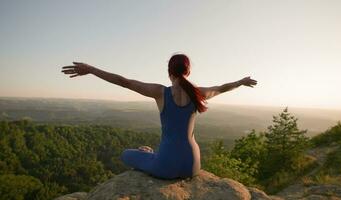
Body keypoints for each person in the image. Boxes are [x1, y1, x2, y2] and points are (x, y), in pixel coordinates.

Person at [61, 53, 257, 179]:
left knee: (126, 155)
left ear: (169, 72)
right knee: (162, 152)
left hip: (167, 166)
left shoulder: (160, 92)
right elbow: (221, 88)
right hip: (193, 165)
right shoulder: (198, 93)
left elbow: (124, 82)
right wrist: (240, 82)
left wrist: (92, 70)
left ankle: (148, 153)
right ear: (188, 71)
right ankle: (151, 154)